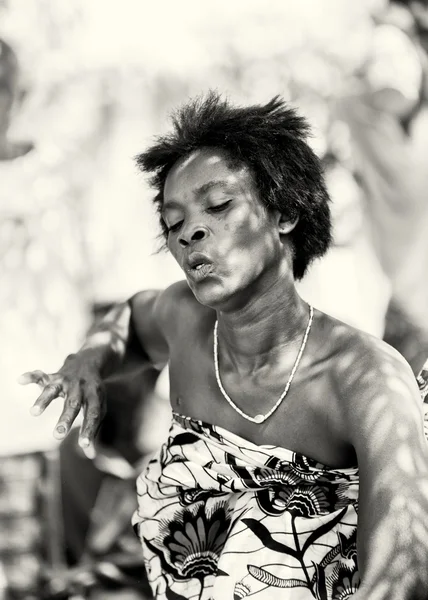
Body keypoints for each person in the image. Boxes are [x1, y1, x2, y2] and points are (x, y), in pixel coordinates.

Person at [20, 93, 428, 600]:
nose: (190, 232)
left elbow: (399, 579)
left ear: (283, 213)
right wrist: (87, 360)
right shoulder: (185, 324)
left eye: (218, 206)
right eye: (173, 223)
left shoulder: (365, 380)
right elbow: (127, 318)